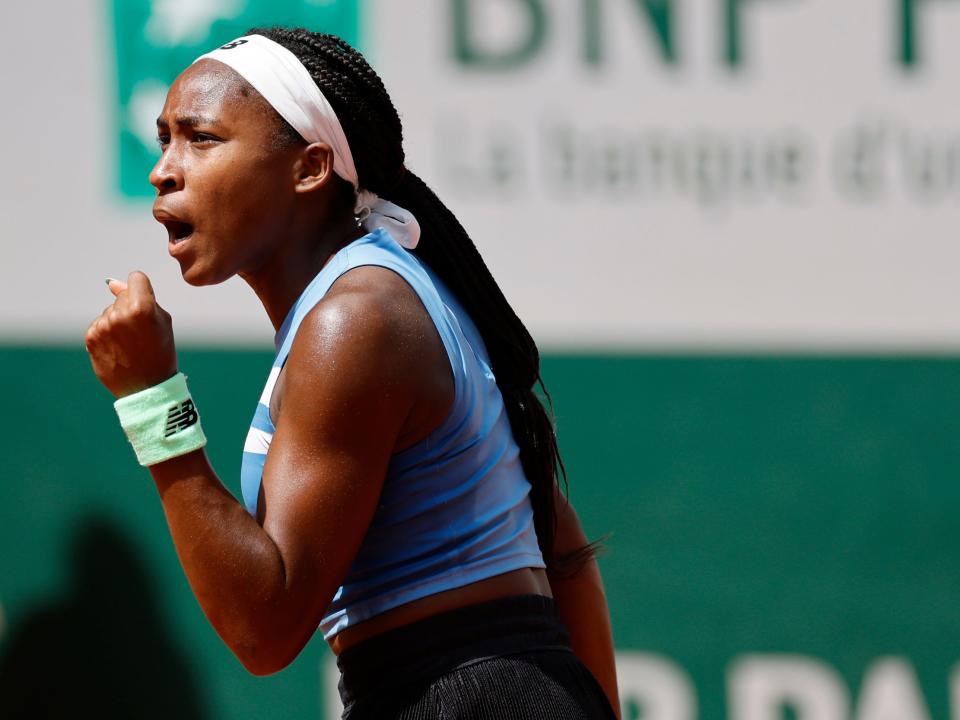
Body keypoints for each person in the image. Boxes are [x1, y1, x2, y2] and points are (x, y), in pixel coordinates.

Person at [84, 27, 619, 719]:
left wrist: (152, 401)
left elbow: (265, 628)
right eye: (164, 140)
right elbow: (561, 542)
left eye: (202, 139)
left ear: (308, 169)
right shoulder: (376, 300)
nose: (164, 168)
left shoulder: (355, 319)